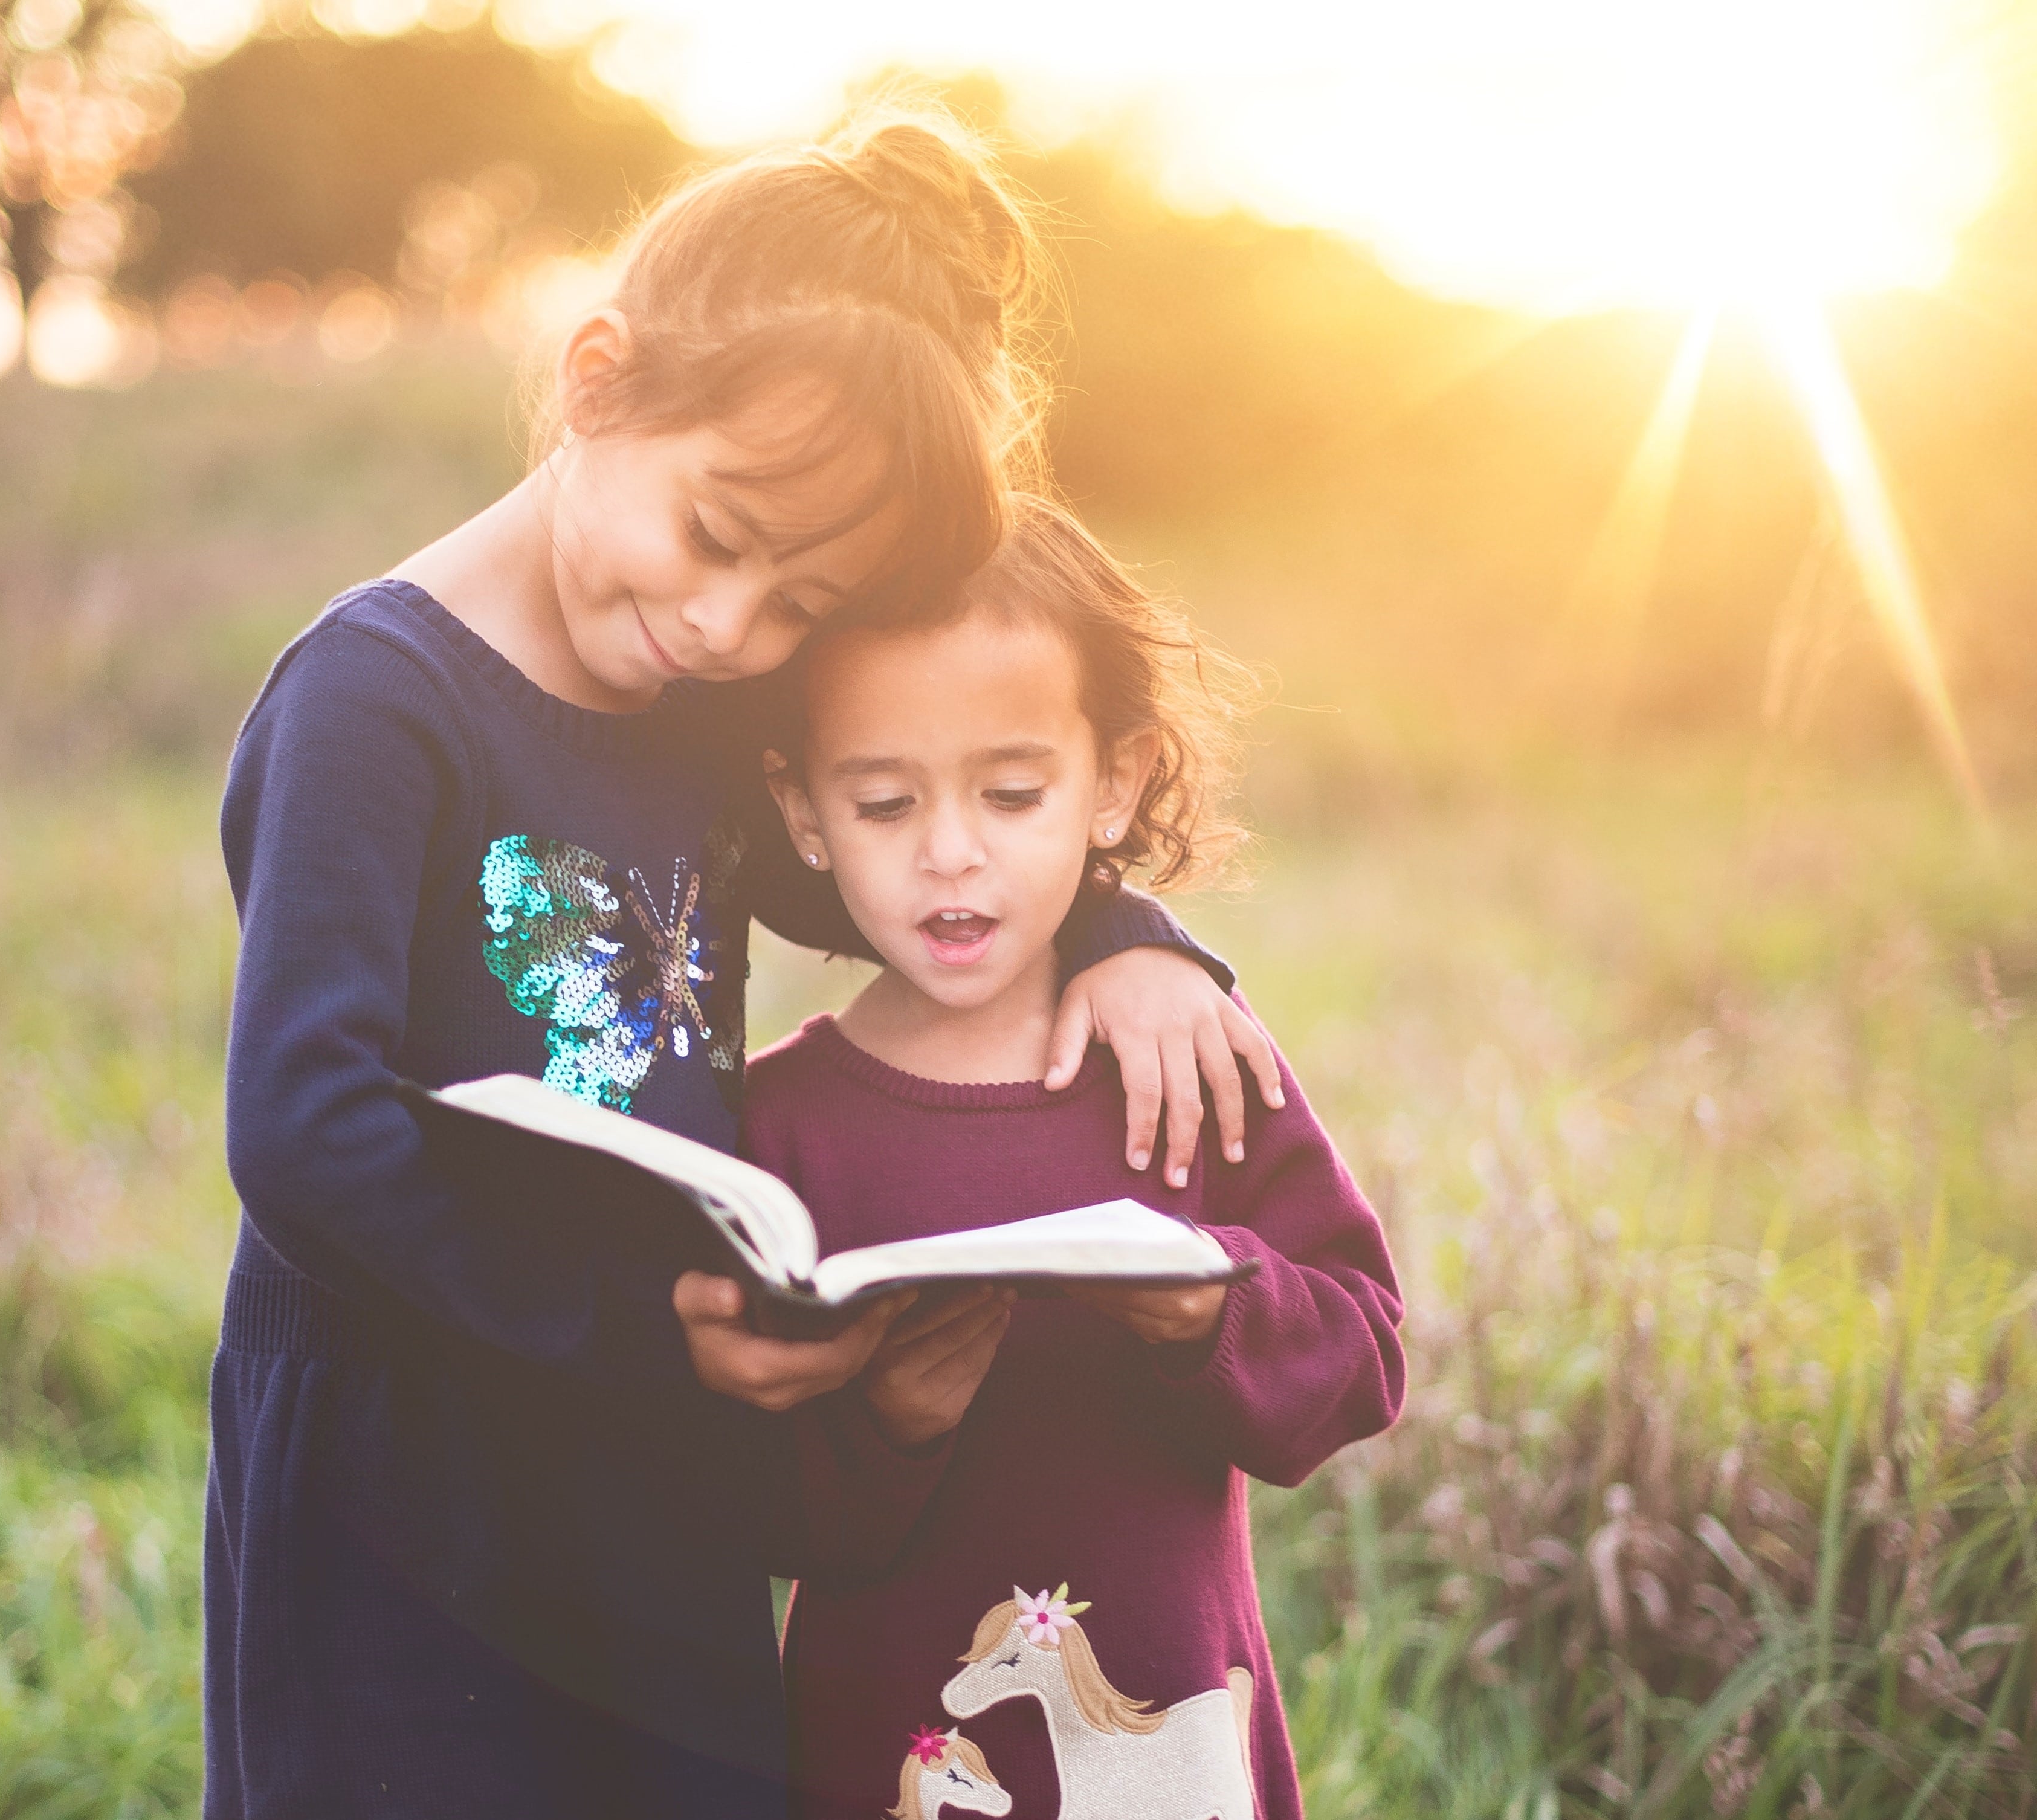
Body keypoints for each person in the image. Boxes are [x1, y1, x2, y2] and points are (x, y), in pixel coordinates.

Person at [207, 116, 1281, 1820]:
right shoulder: (376, 702)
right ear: (598, 381)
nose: (730, 629)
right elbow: (302, 1126)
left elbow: (922, 886)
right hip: (411, 1469)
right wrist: (647, 1332)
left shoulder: (696, 712)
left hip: (653, 1454)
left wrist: (1135, 939)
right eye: (718, 536)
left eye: (801, 606)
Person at [748, 497, 1407, 1820]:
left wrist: (1208, 1304)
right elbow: (738, 1504)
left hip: (1163, 1743)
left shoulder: (1185, 1060)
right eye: (882, 800)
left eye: (1010, 792)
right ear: (802, 809)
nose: (950, 850)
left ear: (1114, 782)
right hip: (889, 1748)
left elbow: (1363, 1355)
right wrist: (885, 1423)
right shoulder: (777, 1128)